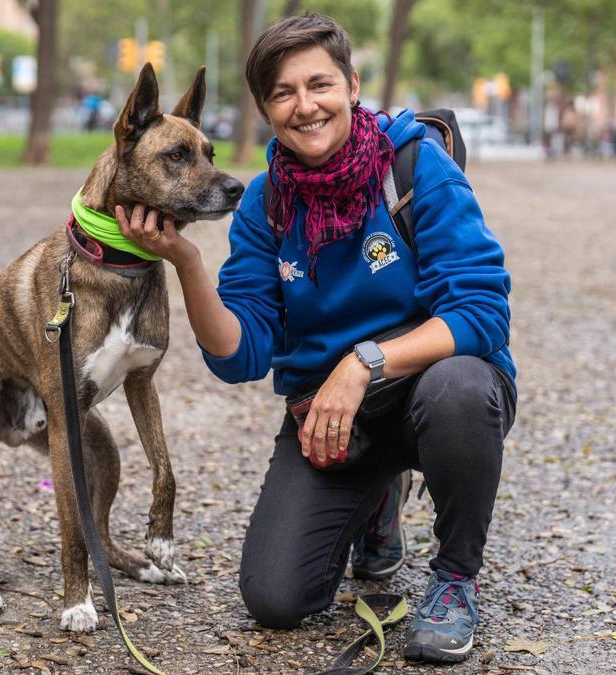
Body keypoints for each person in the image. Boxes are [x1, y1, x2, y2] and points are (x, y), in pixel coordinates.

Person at [115, 13, 516, 663]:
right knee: (275, 598)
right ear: (266, 109)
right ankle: (377, 499)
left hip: (426, 388)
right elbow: (240, 354)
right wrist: (185, 261)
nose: (305, 105)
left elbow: (481, 312)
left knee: (462, 388)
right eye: (282, 92)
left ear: (352, 85)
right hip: (331, 419)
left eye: (320, 84)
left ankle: (454, 579)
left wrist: (363, 363)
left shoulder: (417, 167)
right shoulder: (265, 204)